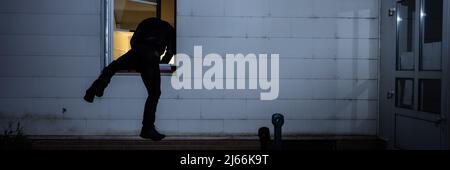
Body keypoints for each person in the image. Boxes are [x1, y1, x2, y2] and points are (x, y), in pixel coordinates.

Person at [83, 18, 175, 141]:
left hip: (136, 52)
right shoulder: (169, 28)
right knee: (154, 93)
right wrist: (160, 63)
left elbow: (133, 41)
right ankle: (147, 129)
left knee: (113, 66)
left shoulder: (145, 22)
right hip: (151, 55)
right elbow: (170, 52)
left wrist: (138, 53)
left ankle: (93, 90)